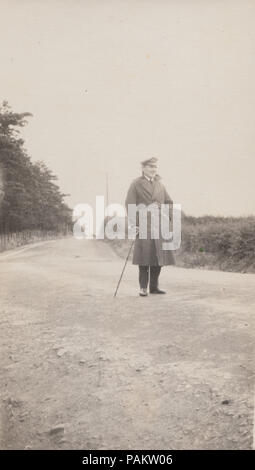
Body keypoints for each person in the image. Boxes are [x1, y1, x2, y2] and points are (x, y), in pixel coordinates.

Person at [125, 157, 175, 297]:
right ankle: (143, 288)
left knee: (158, 258)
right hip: (144, 224)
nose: (153, 169)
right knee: (144, 258)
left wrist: (166, 213)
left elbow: (169, 202)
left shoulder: (160, 185)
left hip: (159, 225)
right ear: (143, 168)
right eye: (150, 166)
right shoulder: (136, 184)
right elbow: (130, 204)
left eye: (155, 167)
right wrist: (134, 224)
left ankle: (154, 287)